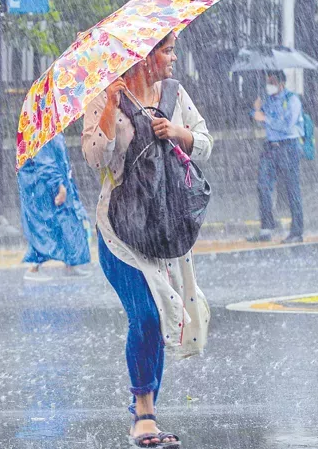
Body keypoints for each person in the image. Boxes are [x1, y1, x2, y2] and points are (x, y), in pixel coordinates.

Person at [82, 32, 212, 448]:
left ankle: (148, 409)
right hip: (119, 231)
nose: (172, 58)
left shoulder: (174, 94)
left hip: (164, 227)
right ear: (142, 58)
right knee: (148, 316)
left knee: (162, 319)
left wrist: (177, 132)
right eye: (166, 50)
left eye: (172, 49)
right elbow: (94, 159)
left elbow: (205, 144)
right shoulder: (105, 97)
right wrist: (109, 113)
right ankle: (143, 413)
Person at [18, 133, 91, 281]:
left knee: (66, 223)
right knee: (46, 227)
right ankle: (34, 267)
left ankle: (70, 263)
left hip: (51, 185)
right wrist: (58, 184)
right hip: (44, 189)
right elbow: (45, 162)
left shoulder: (51, 130)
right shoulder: (42, 131)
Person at [246, 71, 304, 244]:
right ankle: (266, 228)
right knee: (263, 185)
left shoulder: (292, 100)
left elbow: (287, 125)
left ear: (281, 83)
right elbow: (256, 117)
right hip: (270, 147)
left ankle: (297, 231)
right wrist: (256, 109)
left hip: (288, 146)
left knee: (292, 189)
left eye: (272, 82)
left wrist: (265, 118)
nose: (268, 85)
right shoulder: (267, 99)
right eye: (267, 82)